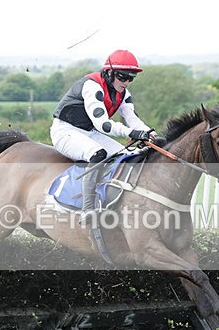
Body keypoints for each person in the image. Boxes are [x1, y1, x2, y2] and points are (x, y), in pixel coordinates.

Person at [50, 49, 158, 224]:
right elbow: (103, 124)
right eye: (123, 77)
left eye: (131, 78)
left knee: (125, 156)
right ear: (109, 72)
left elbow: (133, 119)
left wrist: (152, 135)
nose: (127, 82)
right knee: (97, 154)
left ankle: (109, 199)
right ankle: (87, 208)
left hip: (88, 132)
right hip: (64, 131)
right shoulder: (92, 86)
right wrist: (132, 133)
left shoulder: (123, 93)